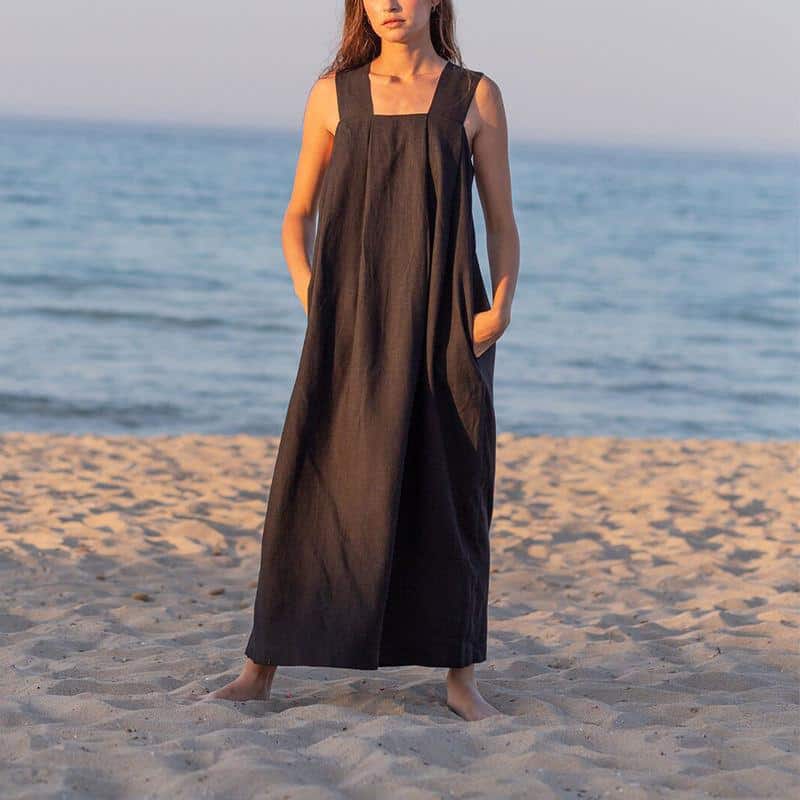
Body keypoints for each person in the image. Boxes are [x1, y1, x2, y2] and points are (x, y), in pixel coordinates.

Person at [204, 0, 519, 722]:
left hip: (449, 320)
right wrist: (310, 286)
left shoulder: (475, 95)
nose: (392, 2)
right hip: (349, 317)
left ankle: (459, 678)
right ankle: (260, 669)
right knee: (316, 475)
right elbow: (297, 211)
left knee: (452, 485)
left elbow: (501, 218)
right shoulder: (331, 94)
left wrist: (500, 306)